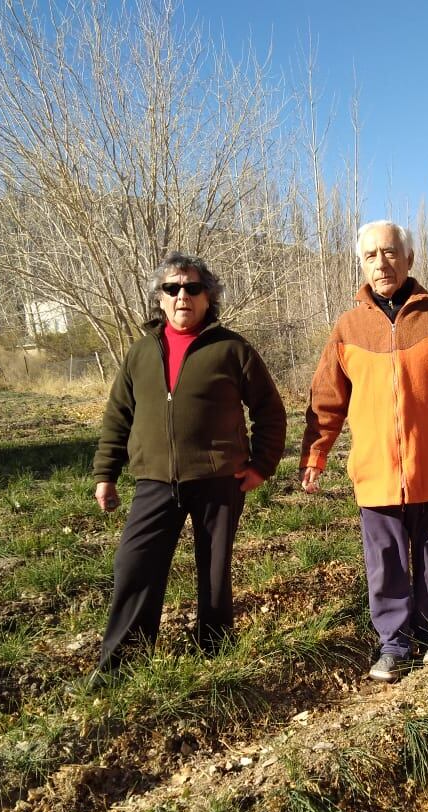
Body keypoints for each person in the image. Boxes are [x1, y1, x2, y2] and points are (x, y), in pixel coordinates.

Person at [300, 221, 428, 682]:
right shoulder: (348, 328)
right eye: (370, 256)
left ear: (409, 258)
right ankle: (393, 644)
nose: (381, 263)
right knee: (384, 563)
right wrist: (315, 455)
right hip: (375, 470)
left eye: (389, 252)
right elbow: (326, 399)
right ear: (362, 265)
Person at [91, 251, 286, 682]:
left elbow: (270, 412)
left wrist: (261, 466)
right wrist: (106, 473)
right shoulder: (141, 352)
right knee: (135, 564)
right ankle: (122, 664)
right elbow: (118, 415)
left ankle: (214, 651)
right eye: (173, 288)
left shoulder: (232, 349)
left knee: (214, 569)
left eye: (193, 288)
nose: (183, 296)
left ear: (208, 297)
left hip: (218, 479)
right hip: (155, 480)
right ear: (159, 299)